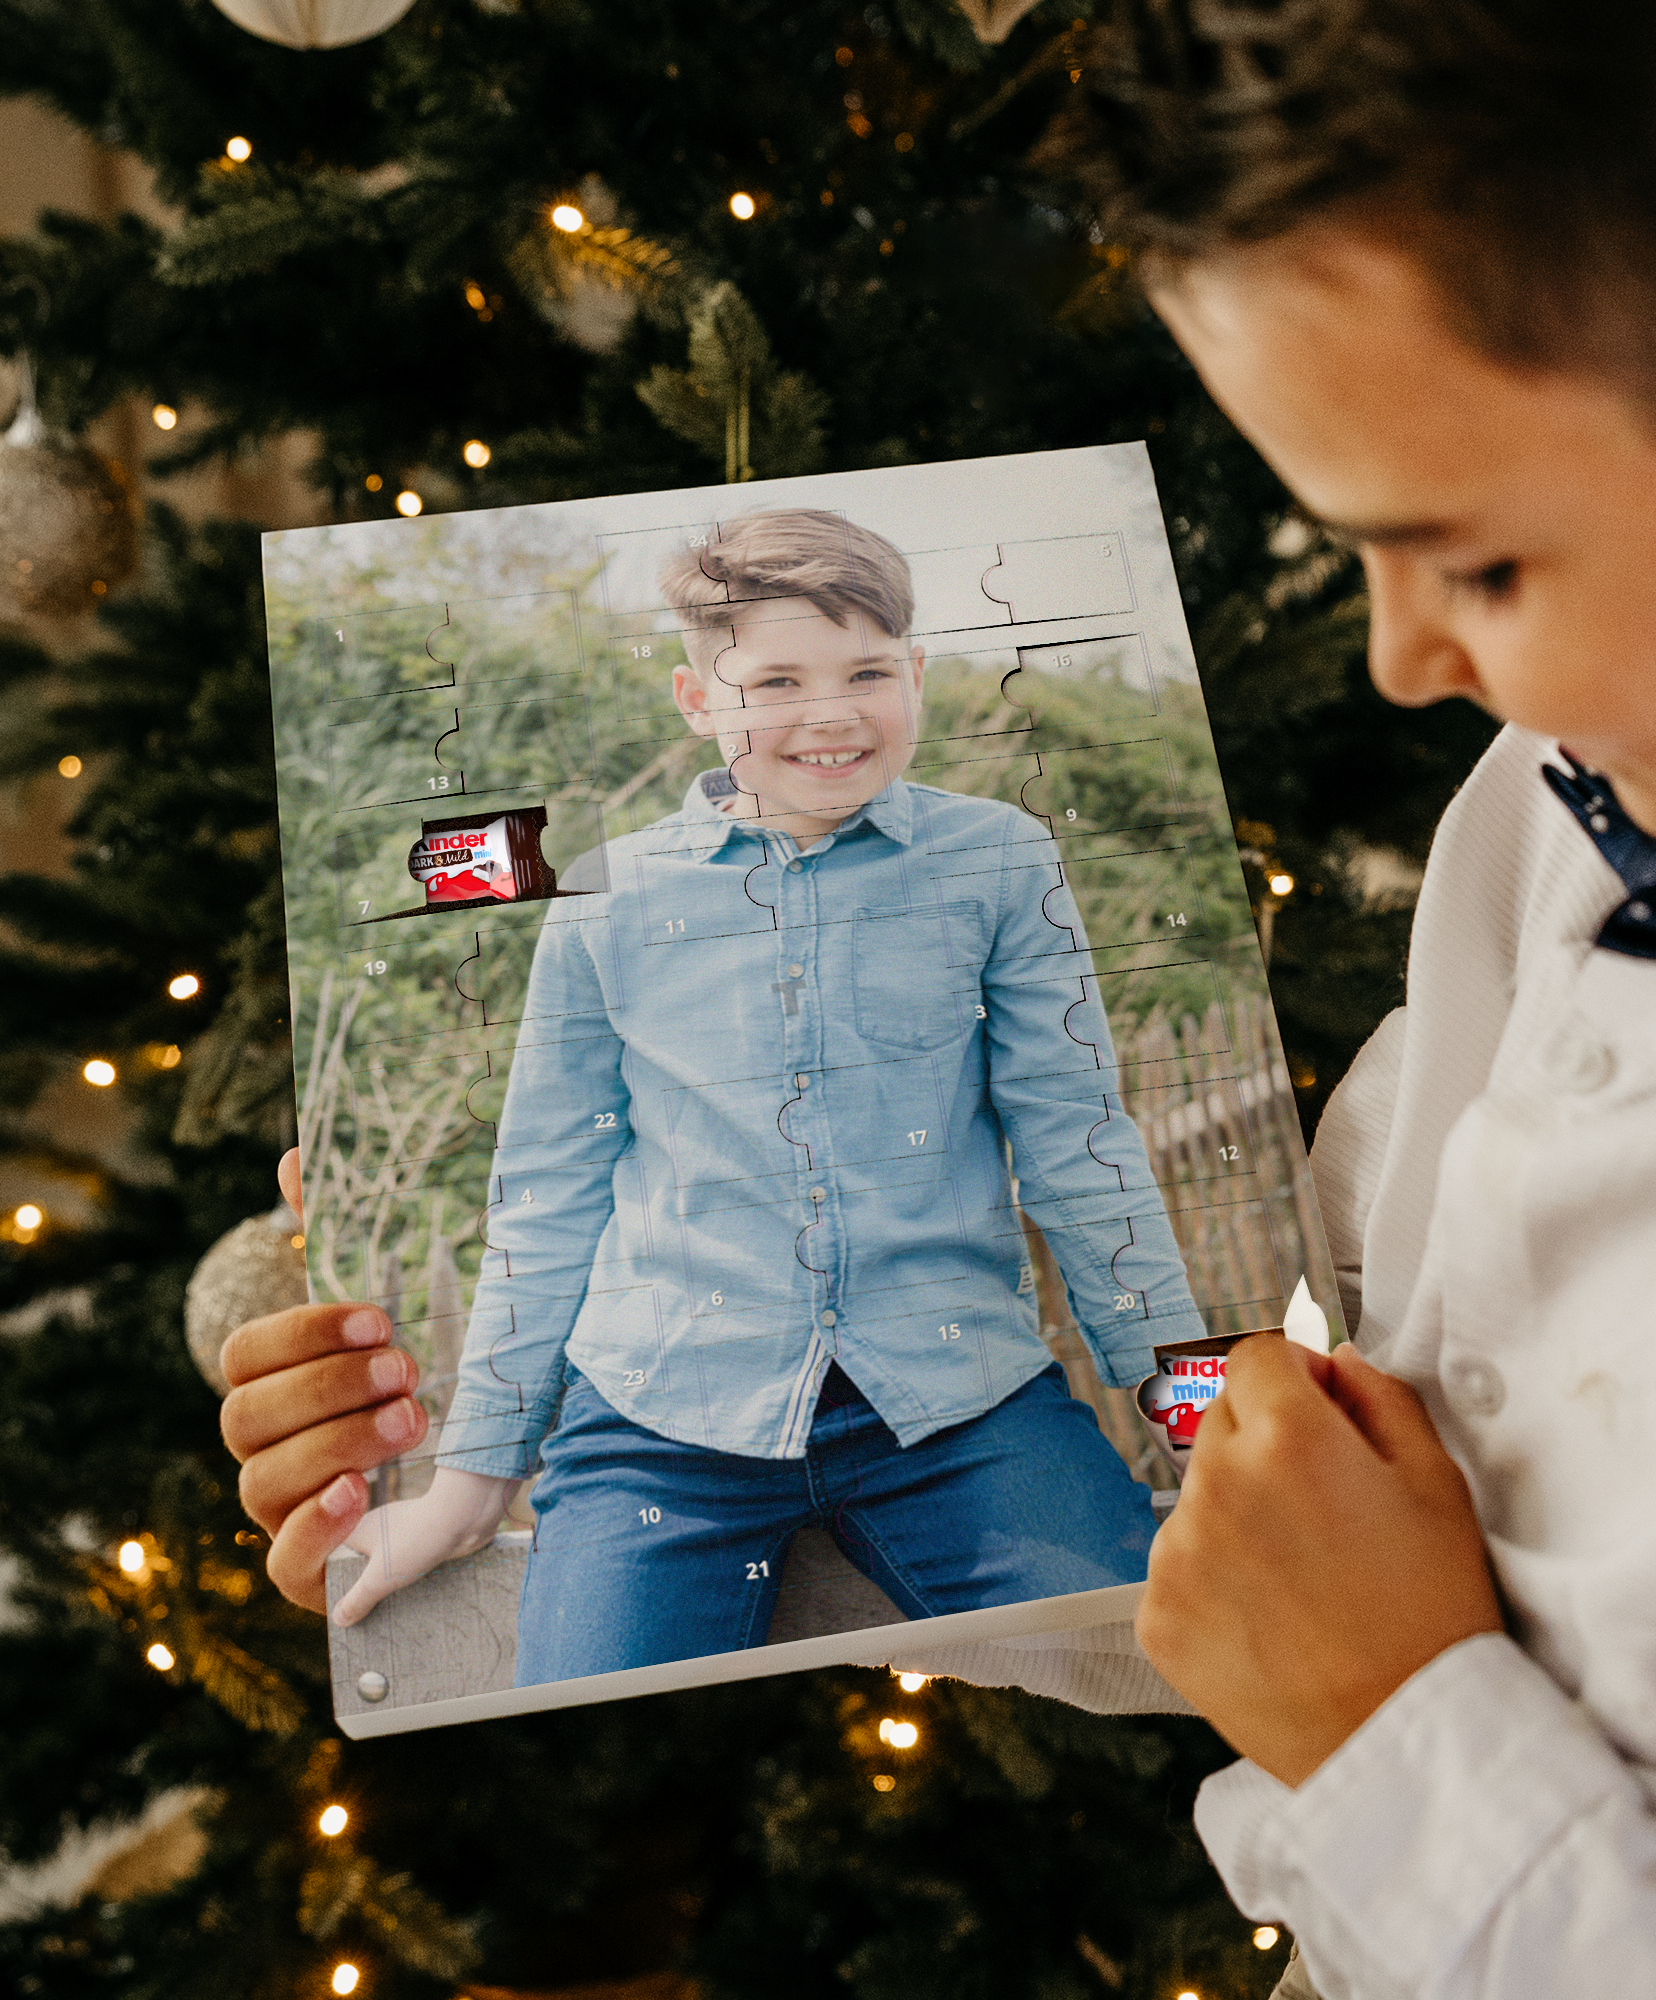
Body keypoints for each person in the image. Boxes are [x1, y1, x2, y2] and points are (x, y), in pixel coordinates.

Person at [1036, 4, 1656, 1997]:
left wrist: (1399, 1738)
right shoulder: (1588, 785)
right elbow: (1313, 1422)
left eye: (1470, 560)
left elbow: (1350, 1651)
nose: (1402, 662)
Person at [224, 508, 1202, 1684]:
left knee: (1171, 1648)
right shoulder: (606, 894)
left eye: (867, 672)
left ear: (919, 674)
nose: (831, 711)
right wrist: (473, 1481)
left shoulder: (996, 859)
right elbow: (546, 1193)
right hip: (656, 1423)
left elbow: (1079, 1146)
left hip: (961, 1404)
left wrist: (1198, 1416)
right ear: (697, 698)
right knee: (585, 1692)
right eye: (777, 678)